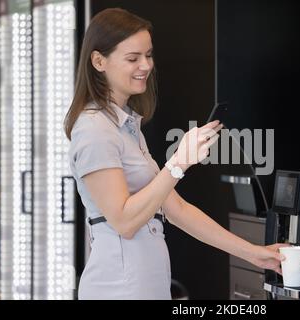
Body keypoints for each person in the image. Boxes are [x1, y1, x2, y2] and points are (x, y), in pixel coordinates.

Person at [64, 8, 287, 300]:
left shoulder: (127, 127)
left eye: (149, 55)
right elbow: (124, 221)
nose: (145, 65)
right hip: (119, 289)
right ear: (98, 61)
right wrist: (179, 162)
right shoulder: (95, 130)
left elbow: (177, 210)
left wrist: (253, 254)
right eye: (133, 58)